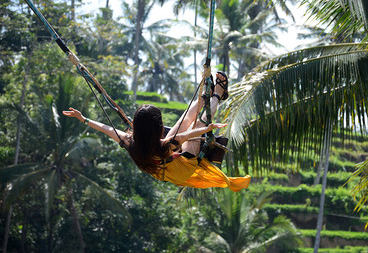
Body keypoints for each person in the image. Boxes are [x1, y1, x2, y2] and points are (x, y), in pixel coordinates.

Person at [63, 72, 250, 192]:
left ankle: (203, 98)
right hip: (181, 171)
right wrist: (207, 128)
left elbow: (108, 129)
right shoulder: (164, 146)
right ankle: (218, 93)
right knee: (196, 122)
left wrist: (84, 119)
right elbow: (188, 135)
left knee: (183, 120)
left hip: (164, 166)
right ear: (157, 129)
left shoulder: (131, 142)